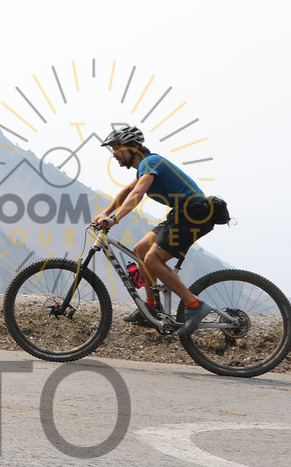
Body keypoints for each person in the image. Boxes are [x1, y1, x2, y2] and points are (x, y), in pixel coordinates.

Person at [91, 124, 218, 334]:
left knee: (152, 259)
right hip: (180, 213)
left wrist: (114, 219)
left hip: (194, 213)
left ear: (133, 147)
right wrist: (104, 213)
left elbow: (137, 194)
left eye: (117, 148)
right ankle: (151, 306)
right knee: (140, 250)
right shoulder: (145, 166)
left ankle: (195, 305)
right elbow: (127, 191)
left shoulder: (151, 162)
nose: (114, 155)